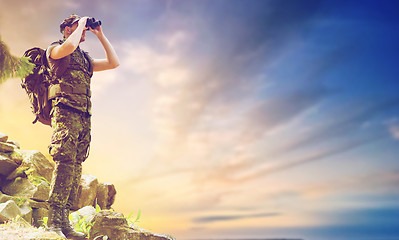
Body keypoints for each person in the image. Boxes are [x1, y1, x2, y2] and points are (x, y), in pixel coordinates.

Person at [46, 14, 119, 239]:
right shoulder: (56, 49)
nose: (83, 31)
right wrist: (81, 23)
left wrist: (100, 34)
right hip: (65, 114)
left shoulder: (85, 59)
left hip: (83, 117)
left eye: (83, 28)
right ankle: (53, 223)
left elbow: (113, 62)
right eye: (78, 28)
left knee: (76, 167)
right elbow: (68, 46)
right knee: (64, 164)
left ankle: (65, 224)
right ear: (66, 29)